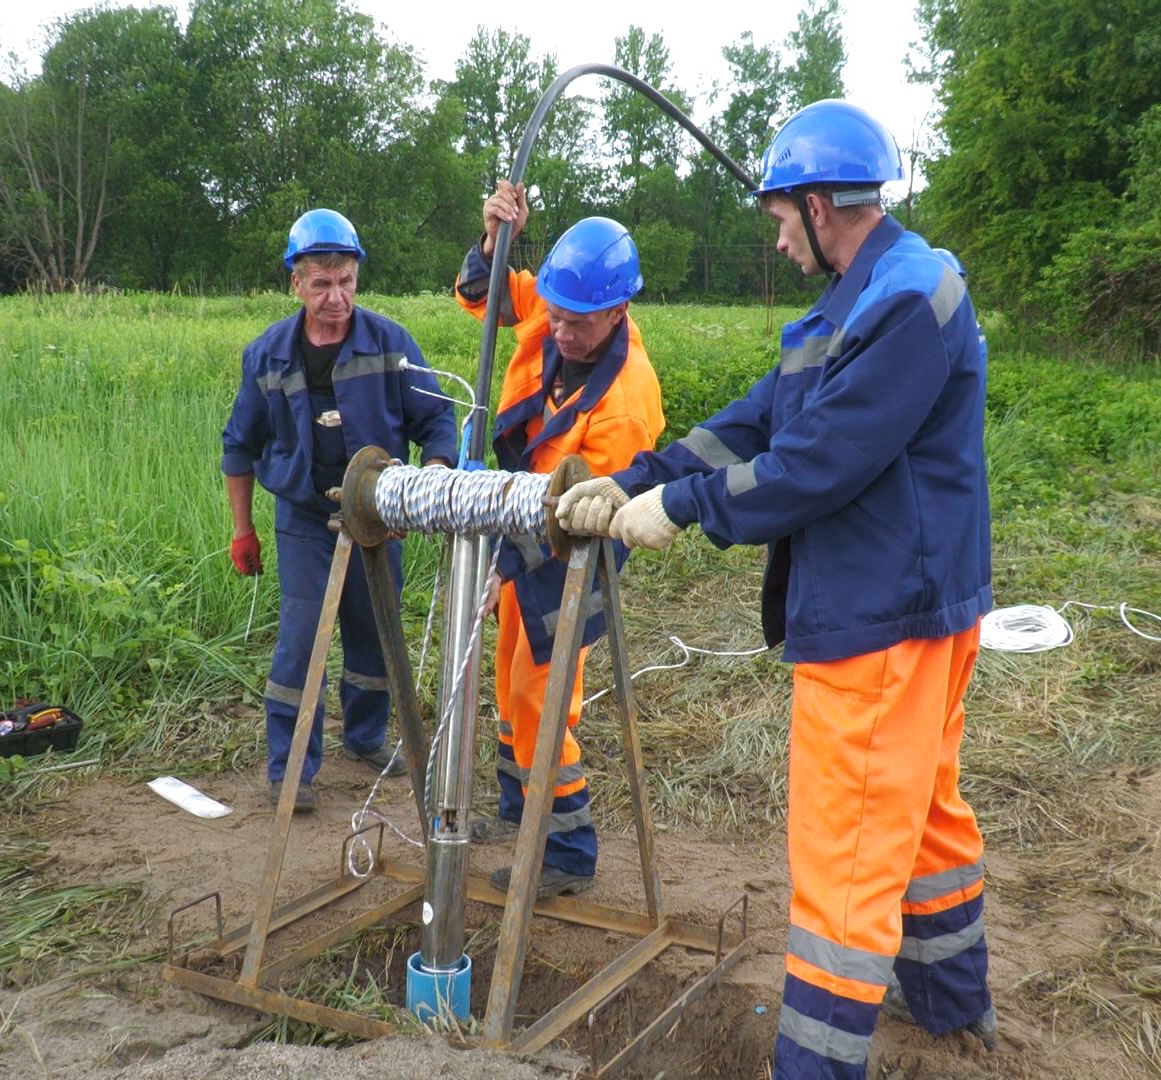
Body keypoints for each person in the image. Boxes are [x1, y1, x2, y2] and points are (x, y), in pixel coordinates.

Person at [556, 100, 997, 1078]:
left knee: (844, 863)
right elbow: (756, 422)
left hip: (883, 620)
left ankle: (815, 1067)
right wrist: (633, 479)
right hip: (910, 608)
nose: (776, 231)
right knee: (922, 819)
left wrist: (685, 510)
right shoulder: (853, 301)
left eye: (779, 213)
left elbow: (818, 462)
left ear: (818, 203)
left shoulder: (908, 298)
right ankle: (954, 1015)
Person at [455, 182, 665, 899]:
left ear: (618, 310)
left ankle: (567, 850)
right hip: (517, 527)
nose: (560, 332)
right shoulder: (552, 314)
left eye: (578, 324)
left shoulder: (627, 401)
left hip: (571, 552)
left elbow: (580, 512)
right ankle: (522, 814)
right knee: (510, 687)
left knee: (544, 700)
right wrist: (493, 237)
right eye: (556, 316)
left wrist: (504, 563)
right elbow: (486, 296)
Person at [221, 208, 457, 813]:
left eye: (346, 280)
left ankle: (366, 736)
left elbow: (436, 420)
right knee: (302, 640)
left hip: (380, 514)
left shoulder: (390, 343)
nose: (336, 296)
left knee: (374, 630)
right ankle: (292, 769)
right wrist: (242, 531)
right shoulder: (267, 356)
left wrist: (428, 479)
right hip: (304, 520)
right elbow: (238, 447)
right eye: (321, 283)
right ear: (295, 282)